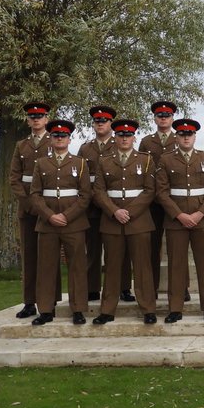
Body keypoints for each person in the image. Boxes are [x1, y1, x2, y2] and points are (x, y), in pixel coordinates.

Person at [92, 118, 158, 324]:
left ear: (133, 138)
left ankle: (148, 309)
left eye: (128, 135)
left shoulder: (145, 160)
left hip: (138, 221)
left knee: (142, 267)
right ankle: (107, 310)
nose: (124, 139)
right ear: (116, 137)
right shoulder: (104, 160)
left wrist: (129, 211)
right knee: (111, 268)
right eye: (120, 135)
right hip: (112, 221)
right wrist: (114, 211)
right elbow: (99, 191)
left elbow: (150, 191)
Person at [155, 118, 204, 323]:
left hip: (202, 220)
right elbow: (162, 193)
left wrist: (199, 214)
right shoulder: (166, 160)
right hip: (176, 221)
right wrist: (180, 215)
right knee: (176, 265)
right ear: (176, 137)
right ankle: (175, 309)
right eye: (182, 134)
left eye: (189, 134)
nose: (186, 138)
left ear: (195, 137)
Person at [29, 119, 91, 326]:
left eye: (63, 136)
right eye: (56, 136)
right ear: (51, 139)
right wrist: (49, 215)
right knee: (46, 267)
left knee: (77, 268)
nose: (59, 139)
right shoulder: (41, 163)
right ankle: (46, 309)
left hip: (74, 223)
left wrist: (67, 215)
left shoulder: (80, 163)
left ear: (69, 139)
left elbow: (85, 195)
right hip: (48, 224)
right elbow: (35, 195)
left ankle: (78, 309)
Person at [8, 101, 61, 319]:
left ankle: (51, 300)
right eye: (32, 116)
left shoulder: (56, 140)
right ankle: (29, 301)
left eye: (40, 116)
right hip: (29, 209)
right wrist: (29, 202)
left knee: (50, 257)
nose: (36, 119)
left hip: (49, 208)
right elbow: (14, 178)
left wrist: (45, 207)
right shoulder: (21, 146)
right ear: (28, 120)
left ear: (47, 119)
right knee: (30, 256)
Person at [77, 104, 122, 304]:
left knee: (119, 251)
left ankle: (123, 288)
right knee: (93, 250)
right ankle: (93, 287)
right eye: (97, 121)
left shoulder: (120, 144)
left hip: (114, 204)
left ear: (111, 123)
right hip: (92, 207)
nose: (100, 124)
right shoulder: (85, 148)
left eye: (104, 121)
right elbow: (79, 177)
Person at [139, 101, 179, 298]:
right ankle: (151, 287)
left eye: (167, 115)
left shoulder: (180, 138)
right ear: (154, 118)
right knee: (151, 247)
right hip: (153, 202)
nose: (163, 118)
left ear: (172, 118)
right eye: (159, 115)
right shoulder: (146, 142)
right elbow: (140, 169)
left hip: (175, 201)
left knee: (177, 247)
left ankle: (182, 288)